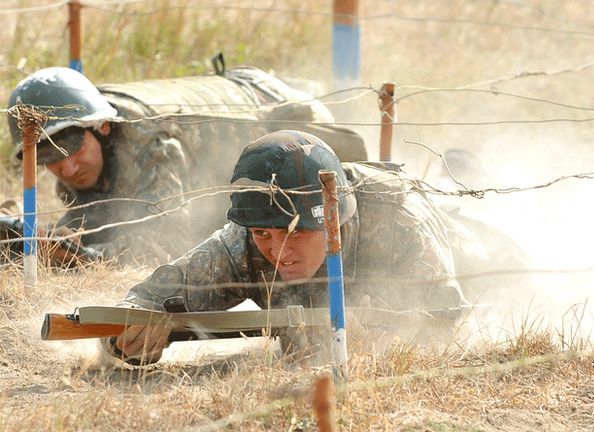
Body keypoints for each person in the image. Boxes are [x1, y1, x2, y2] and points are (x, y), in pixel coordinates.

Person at [102, 130, 468, 366]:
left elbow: (447, 323)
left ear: (333, 221)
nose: (278, 252)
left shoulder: (399, 218)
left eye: (295, 234)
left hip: (461, 236)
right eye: (264, 234)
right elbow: (151, 298)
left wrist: (386, 340)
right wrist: (127, 336)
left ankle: (463, 167)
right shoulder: (246, 238)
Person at [5, 66, 368, 264]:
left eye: (72, 150)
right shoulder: (84, 146)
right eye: (50, 158)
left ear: (101, 127)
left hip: (282, 107)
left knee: (340, 180)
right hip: (248, 106)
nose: (67, 169)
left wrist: (88, 257)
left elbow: (167, 240)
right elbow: (101, 219)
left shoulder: (152, 140)